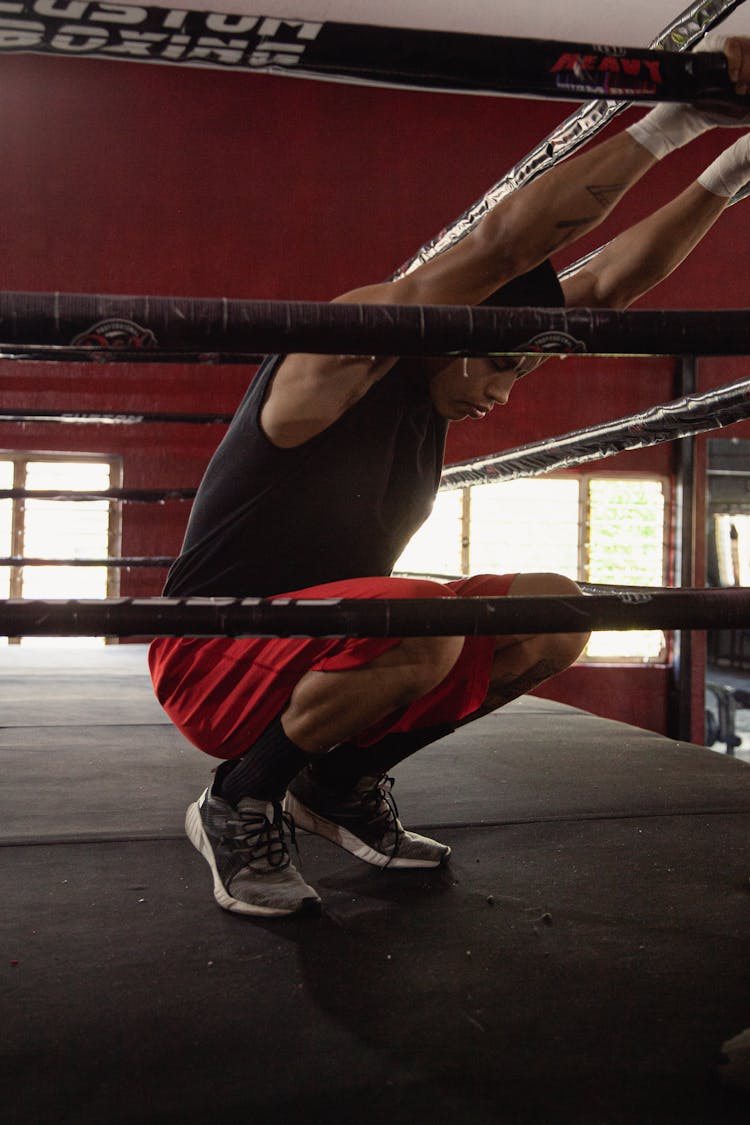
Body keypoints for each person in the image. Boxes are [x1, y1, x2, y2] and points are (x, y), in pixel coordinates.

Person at [149, 36, 750, 918]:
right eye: (498, 369)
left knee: (556, 610)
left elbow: (611, 284)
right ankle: (240, 794)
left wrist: (737, 163)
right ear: (453, 334)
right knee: (422, 619)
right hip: (214, 654)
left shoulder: (450, 377)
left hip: (335, 645)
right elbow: (505, 243)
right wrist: (684, 112)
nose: (504, 395)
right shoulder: (341, 359)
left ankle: (337, 786)